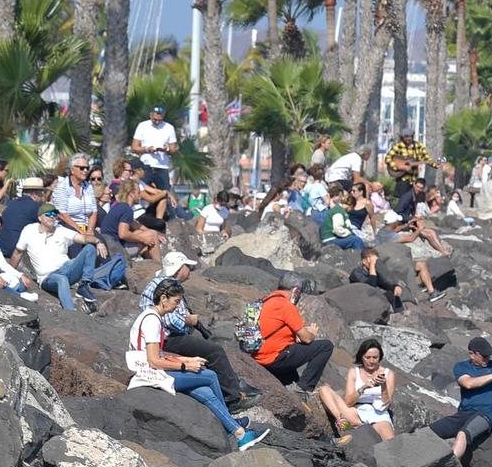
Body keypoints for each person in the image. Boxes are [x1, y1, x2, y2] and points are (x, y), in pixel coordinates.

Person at [129, 280, 266, 451]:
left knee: (203, 391)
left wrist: (187, 360)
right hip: (152, 374)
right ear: (163, 298)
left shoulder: (151, 317)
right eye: (176, 302)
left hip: (154, 371)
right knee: (210, 376)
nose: (177, 307)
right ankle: (234, 426)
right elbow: (153, 360)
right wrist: (185, 367)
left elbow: (158, 355)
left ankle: (238, 432)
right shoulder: (152, 321)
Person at [431, 335, 492, 463]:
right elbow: (468, 383)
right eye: (484, 356)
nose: (488, 359)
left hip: (486, 415)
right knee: (430, 432)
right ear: (472, 354)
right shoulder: (461, 367)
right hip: (464, 413)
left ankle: (449, 465)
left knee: (463, 434)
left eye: (489, 355)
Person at [12, 204, 116, 311]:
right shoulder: (29, 230)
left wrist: (98, 241)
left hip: (68, 268)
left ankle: (84, 285)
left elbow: (82, 238)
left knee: (89, 248)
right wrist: (10, 274)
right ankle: (70, 312)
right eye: (48, 214)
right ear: (40, 218)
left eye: (55, 214)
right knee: (61, 279)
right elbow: (17, 253)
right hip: (48, 277)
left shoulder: (61, 230)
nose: (52, 217)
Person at [253, 273, 334, 395]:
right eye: (300, 293)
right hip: (273, 358)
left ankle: (291, 385)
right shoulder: (285, 305)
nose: (299, 297)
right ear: (295, 290)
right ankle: (304, 388)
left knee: (292, 371)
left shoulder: (264, 301)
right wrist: (311, 333)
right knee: (325, 346)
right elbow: (306, 339)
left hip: (257, 356)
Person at [319, 337, 397, 442]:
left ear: (380, 357)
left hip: (379, 414)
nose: (371, 361)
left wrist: (383, 386)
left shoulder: (388, 374)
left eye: (375, 357)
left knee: (390, 443)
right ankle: (341, 422)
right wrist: (363, 388)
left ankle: (360, 434)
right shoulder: (354, 372)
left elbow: (385, 404)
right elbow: (348, 403)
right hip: (357, 412)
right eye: (367, 357)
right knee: (324, 389)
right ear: (362, 357)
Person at [99, 181, 164, 260]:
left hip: (109, 244)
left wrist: (157, 234)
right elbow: (123, 234)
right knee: (152, 235)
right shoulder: (127, 209)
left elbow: (135, 224)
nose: (140, 196)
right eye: (138, 193)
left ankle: (150, 264)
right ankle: (159, 266)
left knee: (145, 233)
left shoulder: (119, 206)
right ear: (132, 194)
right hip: (116, 248)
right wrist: (144, 239)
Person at [130, 105, 179, 191]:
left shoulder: (169, 128)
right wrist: (146, 149)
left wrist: (166, 149)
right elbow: (134, 147)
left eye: (159, 120)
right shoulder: (142, 126)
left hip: (162, 167)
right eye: (155, 119)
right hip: (146, 166)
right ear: (150, 115)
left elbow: (173, 149)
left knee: (164, 194)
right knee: (142, 191)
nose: (157, 122)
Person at [0, 176, 44, 257]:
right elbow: (44, 228)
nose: (42, 196)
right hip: (16, 252)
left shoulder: (12, 203)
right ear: (34, 194)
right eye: (41, 193)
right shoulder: (35, 207)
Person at [51, 155, 98, 236]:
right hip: (67, 228)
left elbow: (94, 211)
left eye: (87, 168)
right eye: (82, 168)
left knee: (102, 244)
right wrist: (81, 232)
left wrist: (90, 230)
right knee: (87, 247)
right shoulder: (62, 187)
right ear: (72, 170)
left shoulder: (88, 187)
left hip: (87, 228)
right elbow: (62, 214)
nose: (85, 171)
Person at [348, 245, 404, 312]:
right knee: (388, 296)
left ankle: (401, 315)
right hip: (359, 301)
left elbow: (384, 284)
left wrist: (396, 287)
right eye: (372, 261)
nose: (374, 263)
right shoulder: (356, 273)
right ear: (364, 261)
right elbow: (370, 287)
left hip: (370, 298)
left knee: (392, 293)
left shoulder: (374, 272)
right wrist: (372, 266)